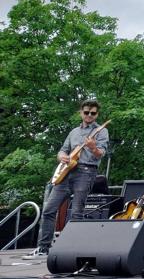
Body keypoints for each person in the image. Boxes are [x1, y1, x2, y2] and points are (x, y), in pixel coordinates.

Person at [24, 100, 108, 258]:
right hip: (66, 173)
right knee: (49, 210)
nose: (89, 115)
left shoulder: (101, 131)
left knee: (77, 212)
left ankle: (72, 249)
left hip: (86, 172)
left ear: (97, 114)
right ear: (81, 112)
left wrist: (92, 147)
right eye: (86, 112)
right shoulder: (74, 132)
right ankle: (44, 248)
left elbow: (101, 154)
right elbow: (62, 151)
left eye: (93, 113)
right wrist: (62, 157)